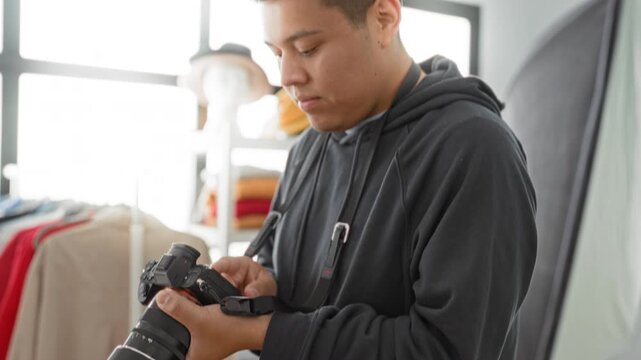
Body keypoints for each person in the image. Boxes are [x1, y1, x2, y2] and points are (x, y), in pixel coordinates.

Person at [155, 0, 538, 358]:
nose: (287, 77)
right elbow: (303, 293)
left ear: (384, 18)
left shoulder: (474, 150)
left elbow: (447, 348)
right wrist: (269, 287)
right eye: (277, 53)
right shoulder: (309, 147)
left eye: (307, 49)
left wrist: (264, 333)